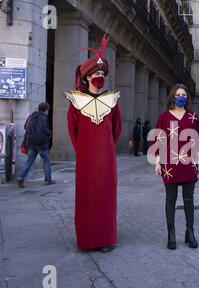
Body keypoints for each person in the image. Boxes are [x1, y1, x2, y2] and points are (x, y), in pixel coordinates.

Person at [66, 33, 122, 252]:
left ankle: (106, 239)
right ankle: (87, 239)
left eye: (102, 72)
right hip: (86, 158)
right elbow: (73, 130)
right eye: (95, 73)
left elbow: (117, 129)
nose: (99, 75)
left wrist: (106, 147)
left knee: (106, 197)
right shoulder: (76, 101)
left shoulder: (112, 100)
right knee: (87, 197)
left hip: (106, 158)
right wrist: (85, 151)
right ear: (87, 76)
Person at [149, 84, 199, 250]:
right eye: (178, 94)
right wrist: (157, 161)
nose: (181, 97)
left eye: (184, 95)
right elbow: (157, 140)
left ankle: (190, 233)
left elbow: (198, 140)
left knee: (189, 200)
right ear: (172, 97)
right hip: (169, 165)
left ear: (187, 98)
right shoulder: (164, 117)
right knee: (170, 199)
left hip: (189, 164)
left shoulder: (193, 117)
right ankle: (171, 234)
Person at [17, 102, 54, 187]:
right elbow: (44, 129)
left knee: (29, 161)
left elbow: (25, 126)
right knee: (46, 161)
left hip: (31, 143)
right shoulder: (44, 117)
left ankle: (21, 178)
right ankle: (48, 180)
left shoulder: (32, 116)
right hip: (42, 144)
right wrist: (49, 133)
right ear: (46, 110)